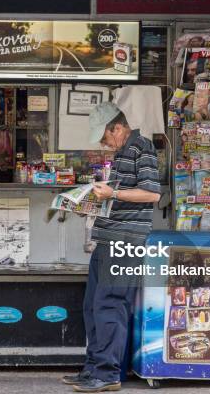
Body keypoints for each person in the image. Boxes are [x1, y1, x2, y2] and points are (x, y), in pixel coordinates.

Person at [62, 102, 160, 393]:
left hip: (125, 240)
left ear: (118, 127)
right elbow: (120, 198)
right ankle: (94, 368)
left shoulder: (142, 148)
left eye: (105, 137)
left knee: (109, 306)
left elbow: (152, 194)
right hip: (108, 239)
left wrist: (113, 192)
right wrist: (91, 203)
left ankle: (107, 374)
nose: (104, 144)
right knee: (93, 306)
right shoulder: (122, 152)